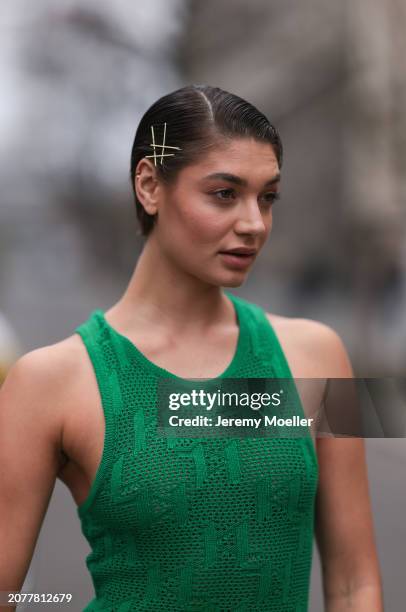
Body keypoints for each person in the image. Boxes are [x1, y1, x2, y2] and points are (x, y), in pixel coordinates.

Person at [0, 84, 383, 611]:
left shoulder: (318, 354)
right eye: (224, 193)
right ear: (150, 185)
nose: (254, 223)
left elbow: (354, 582)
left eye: (267, 196)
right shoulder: (45, 383)